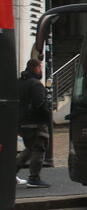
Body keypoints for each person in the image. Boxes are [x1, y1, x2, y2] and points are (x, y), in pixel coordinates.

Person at [15, 58, 52, 187]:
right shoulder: (36, 84)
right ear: (36, 68)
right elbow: (40, 104)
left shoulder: (19, 82)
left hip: (22, 121)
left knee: (30, 148)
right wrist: (47, 115)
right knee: (39, 148)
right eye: (40, 67)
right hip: (36, 122)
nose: (41, 70)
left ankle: (10, 172)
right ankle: (34, 177)